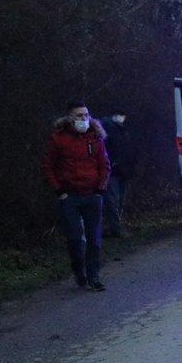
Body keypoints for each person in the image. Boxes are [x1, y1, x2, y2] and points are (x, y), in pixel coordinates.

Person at [41, 101, 110, 291]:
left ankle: (93, 276)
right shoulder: (58, 139)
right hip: (69, 197)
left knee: (94, 239)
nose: (83, 119)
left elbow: (105, 165)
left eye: (86, 115)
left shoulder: (95, 138)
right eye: (79, 115)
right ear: (70, 118)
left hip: (92, 195)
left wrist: (100, 190)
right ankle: (79, 272)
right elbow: (48, 167)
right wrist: (59, 191)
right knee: (74, 238)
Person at [102, 109, 134, 238]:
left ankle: (115, 227)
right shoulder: (107, 127)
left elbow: (128, 150)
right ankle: (115, 229)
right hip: (112, 171)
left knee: (119, 200)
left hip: (123, 171)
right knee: (112, 201)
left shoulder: (122, 129)